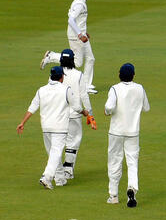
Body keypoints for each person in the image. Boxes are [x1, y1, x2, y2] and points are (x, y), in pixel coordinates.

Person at [16, 66, 88, 189]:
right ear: (61, 77)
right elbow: (76, 107)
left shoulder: (41, 90)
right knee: (55, 153)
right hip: (60, 128)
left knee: (53, 153)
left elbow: (32, 108)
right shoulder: (66, 89)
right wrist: (84, 112)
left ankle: (60, 179)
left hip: (46, 127)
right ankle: (47, 177)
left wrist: (23, 122)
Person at [105, 63, 150, 207]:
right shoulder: (140, 88)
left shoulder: (115, 89)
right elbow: (146, 108)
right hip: (133, 132)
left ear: (119, 75)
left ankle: (113, 196)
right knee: (132, 162)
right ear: (133, 75)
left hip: (116, 131)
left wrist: (107, 112)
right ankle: (132, 189)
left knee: (114, 161)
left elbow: (109, 107)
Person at [40, 0, 97, 94]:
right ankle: (51, 56)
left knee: (91, 58)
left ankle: (86, 85)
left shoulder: (81, 3)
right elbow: (71, 20)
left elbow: (79, 21)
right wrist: (80, 35)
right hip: (76, 37)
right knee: (77, 62)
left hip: (81, 35)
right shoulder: (79, 4)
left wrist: (84, 32)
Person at [58, 49, 97, 181]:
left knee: (58, 142)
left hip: (58, 114)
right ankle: (68, 170)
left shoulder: (56, 73)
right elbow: (84, 95)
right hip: (74, 114)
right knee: (73, 142)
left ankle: (57, 170)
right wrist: (90, 114)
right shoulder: (79, 75)